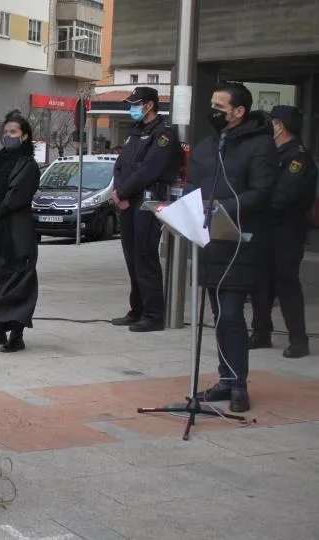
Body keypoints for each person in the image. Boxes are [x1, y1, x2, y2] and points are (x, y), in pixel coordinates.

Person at [188, 82, 278, 413]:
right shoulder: (206, 146)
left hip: (241, 242)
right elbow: (192, 186)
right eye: (211, 103)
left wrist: (222, 206)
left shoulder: (260, 145)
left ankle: (239, 383)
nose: (212, 111)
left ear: (239, 112)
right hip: (210, 242)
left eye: (219, 106)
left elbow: (262, 191)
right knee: (218, 315)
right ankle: (225, 380)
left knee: (231, 314)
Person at [111, 87, 182, 332]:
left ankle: (153, 315)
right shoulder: (135, 133)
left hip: (148, 202)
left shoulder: (163, 135)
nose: (132, 108)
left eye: (136, 103)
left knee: (145, 257)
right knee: (132, 258)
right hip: (128, 202)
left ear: (149, 105)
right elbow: (120, 166)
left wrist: (124, 193)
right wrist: (119, 191)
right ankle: (137, 309)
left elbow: (150, 169)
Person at [250, 106, 317, 359]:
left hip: (287, 229)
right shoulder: (271, 154)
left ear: (279, 126)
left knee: (286, 282)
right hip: (265, 228)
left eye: (272, 123)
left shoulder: (297, 158)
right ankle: (261, 332)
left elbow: (282, 196)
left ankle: (298, 340)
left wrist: (255, 202)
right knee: (260, 281)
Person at [0, 110, 41, 353]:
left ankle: (17, 334)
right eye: (6, 132)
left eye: (13, 132)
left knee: (18, 279)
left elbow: (14, 198)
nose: (8, 136)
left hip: (17, 228)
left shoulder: (28, 165)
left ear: (24, 136)